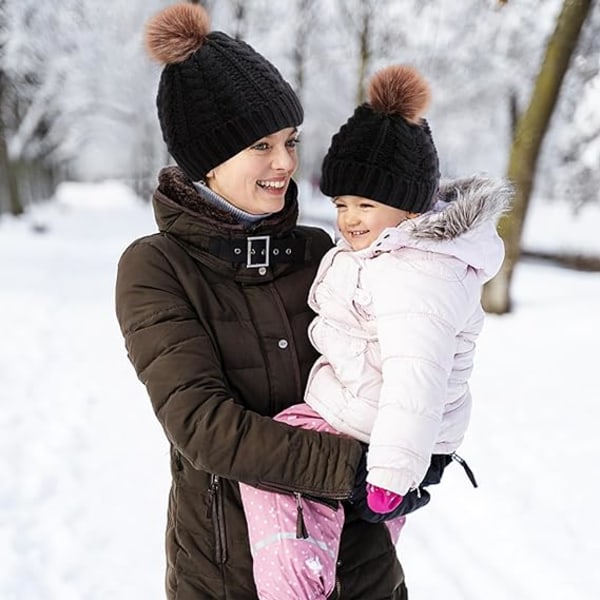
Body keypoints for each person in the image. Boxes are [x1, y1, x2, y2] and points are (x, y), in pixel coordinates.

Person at [115, 4, 410, 599]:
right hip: (231, 571)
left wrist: (418, 442)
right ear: (207, 160)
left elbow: (396, 360)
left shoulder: (320, 252)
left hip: (359, 564)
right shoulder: (156, 267)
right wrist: (356, 471)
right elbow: (203, 426)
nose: (285, 163)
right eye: (260, 145)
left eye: (290, 140)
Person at [238, 64, 513, 599]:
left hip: (375, 430)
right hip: (368, 419)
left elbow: (417, 382)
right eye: (342, 204)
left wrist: (389, 476)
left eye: (366, 205)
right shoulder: (388, 254)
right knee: (363, 560)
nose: (348, 219)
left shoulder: (416, 274)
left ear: (409, 208)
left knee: (278, 472)